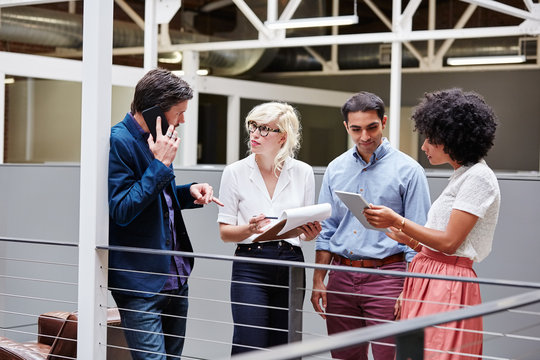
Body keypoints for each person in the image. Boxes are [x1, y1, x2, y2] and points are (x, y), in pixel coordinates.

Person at [364, 88, 500, 359]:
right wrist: (409, 239)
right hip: (429, 275)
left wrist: (399, 220)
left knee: (437, 353)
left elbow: (450, 243)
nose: (424, 146)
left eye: (431, 139)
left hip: (446, 280)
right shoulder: (461, 176)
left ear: (454, 139)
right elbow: (443, 243)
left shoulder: (478, 179)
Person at [108, 68, 222, 360]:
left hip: (176, 278)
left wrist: (189, 191)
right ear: (156, 110)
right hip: (141, 283)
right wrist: (160, 164)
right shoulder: (118, 141)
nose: (183, 120)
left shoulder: (159, 140)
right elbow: (122, 209)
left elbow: (158, 198)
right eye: (179, 113)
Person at [311, 91, 431, 360]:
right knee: (344, 356)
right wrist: (318, 279)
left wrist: (410, 289)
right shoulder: (335, 169)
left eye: (371, 127)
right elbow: (327, 229)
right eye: (356, 129)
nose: (365, 136)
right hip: (340, 277)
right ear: (346, 127)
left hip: (389, 277)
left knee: (390, 356)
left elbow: (417, 238)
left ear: (384, 122)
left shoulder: (409, 171)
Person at [217, 102, 322, 354]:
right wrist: (250, 228)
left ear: (283, 137)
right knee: (249, 345)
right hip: (251, 264)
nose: (254, 134)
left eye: (264, 129)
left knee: (287, 347)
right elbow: (224, 232)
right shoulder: (235, 172)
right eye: (252, 126)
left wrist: (310, 233)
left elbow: (302, 226)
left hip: (291, 263)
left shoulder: (303, 173)